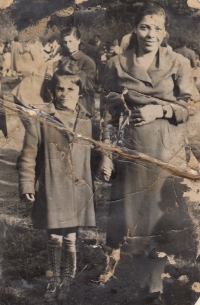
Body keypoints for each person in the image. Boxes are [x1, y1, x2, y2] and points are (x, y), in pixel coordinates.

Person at [100, 2, 197, 302]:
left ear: (165, 32)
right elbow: (108, 115)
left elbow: (190, 106)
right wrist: (106, 154)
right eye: (145, 27)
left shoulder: (178, 63)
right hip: (132, 158)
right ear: (135, 29)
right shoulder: (116, 65)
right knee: (136, 227)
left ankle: (155, 286)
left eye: (157, 28)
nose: (150, 34)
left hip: (166, 156)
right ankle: (149, 290)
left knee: (162, 226)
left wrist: (161, 109)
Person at [18, 68, 96, 302]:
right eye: (59, 88)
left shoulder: (87, 121)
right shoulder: (41, 120)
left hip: (77, 188)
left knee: (71, 236)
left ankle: (68, 279)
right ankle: (54, 279)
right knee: (54, 237)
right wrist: (26, 183)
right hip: (52, 185)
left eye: (71, 89)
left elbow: (98, 151)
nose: (64, 94)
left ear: (80, 92)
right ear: (52, 91)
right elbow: (29, 154)